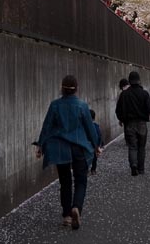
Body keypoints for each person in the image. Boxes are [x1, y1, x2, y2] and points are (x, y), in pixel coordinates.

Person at [35, 75, 101, 230]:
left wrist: (40, 146)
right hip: (79, 147)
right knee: (80, 180)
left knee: (64, 182)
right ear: (76, 89)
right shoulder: (82, 106)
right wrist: (96, 145)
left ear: (62, 88)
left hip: (60, 148)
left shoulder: (55, 105)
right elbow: (90, 128)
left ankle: (66, 216)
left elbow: (47, 126)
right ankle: (76, 207)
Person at [115, 70, 150, 175]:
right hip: (142, 123)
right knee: (141, 147)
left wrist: (121, 119)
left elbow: (118, 109)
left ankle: (133, 165)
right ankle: (141, 168)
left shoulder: (124, 94)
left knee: (132, 146)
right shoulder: (144, 93)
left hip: (129, 123)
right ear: (139, 81)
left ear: (129, 81)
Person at [89, 109, 103, 174]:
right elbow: (99, 135)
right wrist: (99, 145)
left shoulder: (84, 126)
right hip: (94, 145)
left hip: (86, 145)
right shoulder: (96, 126)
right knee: (94, 158)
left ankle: (86, 169)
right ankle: (93, 170)